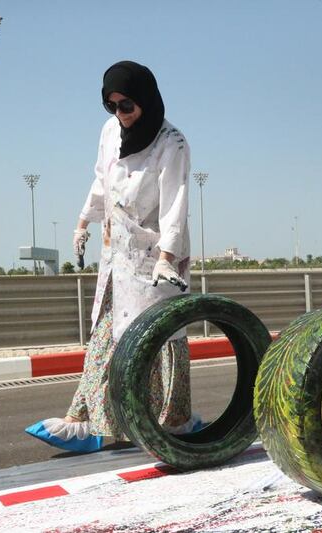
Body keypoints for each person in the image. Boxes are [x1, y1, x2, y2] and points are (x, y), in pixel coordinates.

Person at [26, 60, 196, 453]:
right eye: (112, 105)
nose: (120, 114)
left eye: (127, 105)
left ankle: (172, 421)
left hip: (156, 255)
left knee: (161, 338)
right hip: (117, 250)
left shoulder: (172, 144)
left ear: (147, 101)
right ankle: (86, 419)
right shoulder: (109, 131)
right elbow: (102, 178)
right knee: (106, 333)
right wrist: (84, 220)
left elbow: (176, 204)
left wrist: (167, 257)